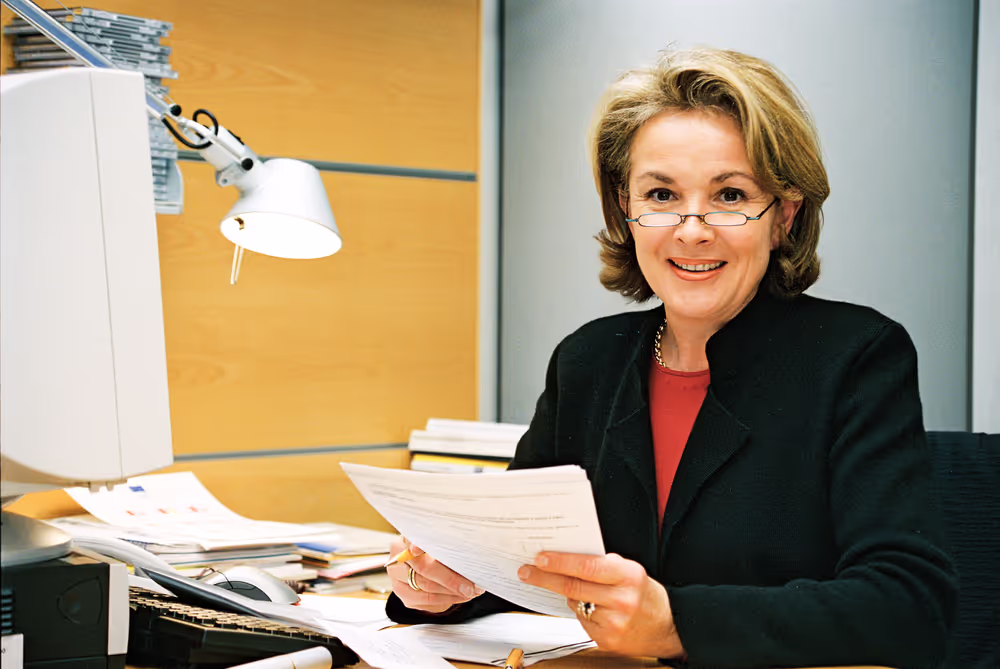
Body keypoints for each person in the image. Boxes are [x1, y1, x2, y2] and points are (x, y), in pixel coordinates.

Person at [384, 47, 957, 669]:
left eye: (730, 194)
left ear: (784, 215)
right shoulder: (588, 360)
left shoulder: (856, 356)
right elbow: (521, 572)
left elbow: (909, 606)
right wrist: (442, 584)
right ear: (626, 211)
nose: (691, 229)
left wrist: (680, 625)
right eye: (661, 194)